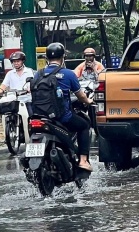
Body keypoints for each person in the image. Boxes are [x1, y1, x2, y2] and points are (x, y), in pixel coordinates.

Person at [32, 43, 95, 172]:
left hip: (40, 117)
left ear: (46, 58)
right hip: (62, 117)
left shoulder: (38, 74)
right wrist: (88, 101)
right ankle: (83, 160)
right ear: (63, 57)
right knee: (84, 125)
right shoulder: (68, 74)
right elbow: (81, 96)